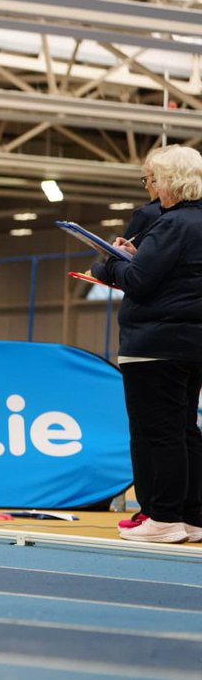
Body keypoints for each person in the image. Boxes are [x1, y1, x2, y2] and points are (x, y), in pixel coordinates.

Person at [92, 145, 202, 543]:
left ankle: (163, 517)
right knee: (184, 429)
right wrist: (139, 259)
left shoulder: (172, 225)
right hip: (191, 343)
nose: (150, 187)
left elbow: (137, 280)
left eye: (152, 179)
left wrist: (113, 259)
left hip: (156, 342)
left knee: (159, 432)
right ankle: (190, 516)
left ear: (169, 181)